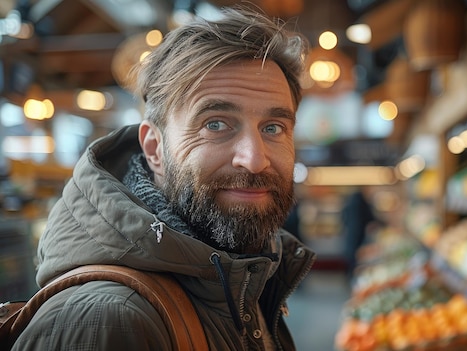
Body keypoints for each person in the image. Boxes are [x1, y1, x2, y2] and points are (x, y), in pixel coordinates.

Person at [12, 6, 315, 351]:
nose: (254, 159)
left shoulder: (247, 275)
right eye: (215, 124)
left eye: (273, 128)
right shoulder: (104, 321)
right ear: (154, 149)